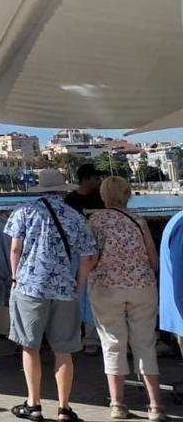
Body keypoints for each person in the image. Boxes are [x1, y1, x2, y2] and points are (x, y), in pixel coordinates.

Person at [7, 168, 97, 422]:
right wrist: (78, 287)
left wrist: (15, 276)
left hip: (30, 286)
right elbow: (85, 259)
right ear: (61, 190)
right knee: (64, 350)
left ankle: (33, 404)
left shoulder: (24, 210)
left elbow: (16, 248)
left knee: (30, 346)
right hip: (64, 290)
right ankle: (64, 408)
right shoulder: (75, 217)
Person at [86, 176, 164, 420]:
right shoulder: (139, 220)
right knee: (145, 343)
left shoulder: (95, 220)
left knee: (112, 344)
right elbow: (153, 258)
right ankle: (155, 406)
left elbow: (92, 258)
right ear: (127, 194)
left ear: (103, 195)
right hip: (142, 287)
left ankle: (118, 405)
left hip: (107, 288)